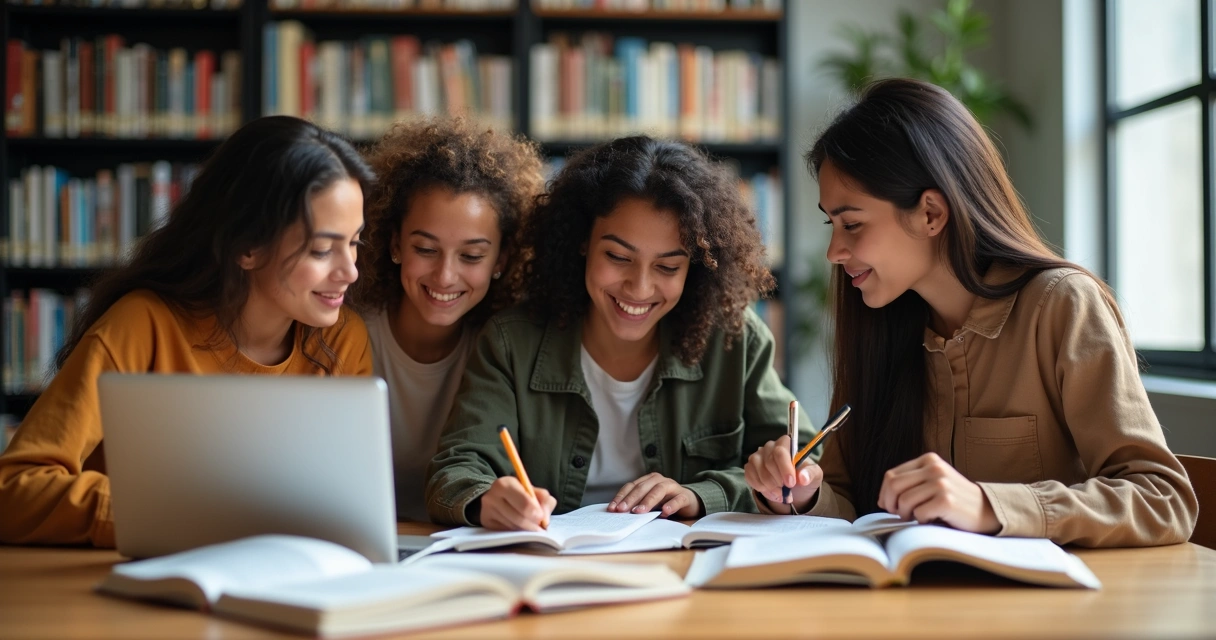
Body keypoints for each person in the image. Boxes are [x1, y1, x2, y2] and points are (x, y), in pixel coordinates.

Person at [744, 78, 1197, 547]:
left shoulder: (1062, 306)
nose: (834, 251)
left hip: (1048, 612)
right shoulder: (877, 326)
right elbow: (850, 503)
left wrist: (988, 505)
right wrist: (799, 494)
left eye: (852, 223)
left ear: (931, 214)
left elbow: (1162, 498)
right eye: (831, 224)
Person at [0, 115, 375, 547]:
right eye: (322, 249)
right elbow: (15, 488)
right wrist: (172, 513)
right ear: (246, 246)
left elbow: (349, 506)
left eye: (354, 242)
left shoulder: (342, 339)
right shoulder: (141, 325)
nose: (350, 270)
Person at [425, 135, 815, 531]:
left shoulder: (736, 340)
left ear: (694, 268)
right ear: (581, 243)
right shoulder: (512, 341)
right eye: (617, 257)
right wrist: (486, 500)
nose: (639, 288)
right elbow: (456, 470)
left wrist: (703, 495)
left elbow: (803, 466)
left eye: (667, 267)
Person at [350, 117, 544, 521]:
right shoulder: (344, 334)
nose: (444, 276)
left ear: (501, 260)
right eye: (426, 249)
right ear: (394, 243)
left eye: (471, 256)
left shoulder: (507, 350)